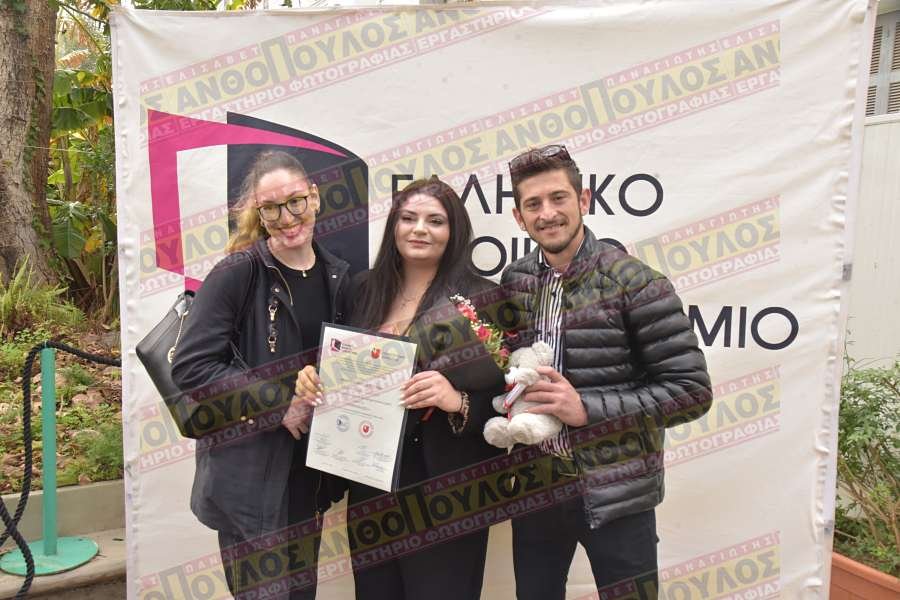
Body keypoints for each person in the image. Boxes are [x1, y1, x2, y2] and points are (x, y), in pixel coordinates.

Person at [500, 145, 713, 599]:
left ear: (584, 200)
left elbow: (691, 391)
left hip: (617, 494)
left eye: (558, 198)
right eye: (533, 204)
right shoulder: (516, 280)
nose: (547, 213)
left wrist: (586, 409)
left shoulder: (637, 282)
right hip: (537, 489)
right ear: (519, 218)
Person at [295, 176, 507, 600]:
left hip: (447, 492)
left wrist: (457, 401)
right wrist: (314, 378)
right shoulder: (362, 290)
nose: (419, 229)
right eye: (408, 218)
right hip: (372, 486)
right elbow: (338, 364)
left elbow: (509, 402)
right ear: (394, 225)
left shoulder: (483, 297)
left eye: (435, 221)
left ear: (454, 231)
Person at [172, 150, 351, 599]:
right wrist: (279, 405)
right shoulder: (237, 273)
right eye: (271, 208)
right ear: (259, 212)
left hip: (307, 478)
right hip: (249, 484)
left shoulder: (335, 275)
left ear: (314, 197)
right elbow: (191, 366)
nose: (287, 218)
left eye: (295, 202)